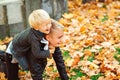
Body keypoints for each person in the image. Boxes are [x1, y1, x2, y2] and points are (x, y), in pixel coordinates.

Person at [5, 9, 52, 80]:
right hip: (13, 50)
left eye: (49, 23)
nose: (49, 26)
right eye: (45, 25)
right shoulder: (33, 37)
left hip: (22, 48)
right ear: (36, 27)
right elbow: (37, 53)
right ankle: (3, 56)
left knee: (27, 64)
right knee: (20, 70)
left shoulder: (40, 31)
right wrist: (49, 52)